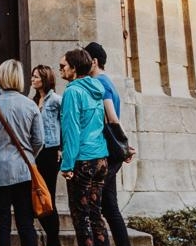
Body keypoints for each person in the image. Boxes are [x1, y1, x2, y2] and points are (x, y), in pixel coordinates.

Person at [0, 60, 43, 246]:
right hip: (23, 170)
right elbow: (39, 140)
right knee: (25, 222)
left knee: (1, 222)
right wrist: (29, 154)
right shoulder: (30, 105)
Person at [82, 42, 134, 246]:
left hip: (106, 152)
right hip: (110, 152)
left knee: (107, 207)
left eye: (86, 59)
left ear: (94, 62)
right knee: (109, 205)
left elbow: (112, 117)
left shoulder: (100, 84)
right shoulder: (107, 82)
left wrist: (124, 145)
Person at [58, 48, 111, 246]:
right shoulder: (96, 88)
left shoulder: (73, 91)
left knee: (82, 218)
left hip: (83, 160)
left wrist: (67, 165)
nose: (60, 70)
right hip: (100, 159)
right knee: (96, 214)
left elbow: (72, 131)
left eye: (63, 66)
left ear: (74, 68)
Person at [28, 64, 62, 246]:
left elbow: (65, 124)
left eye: (36, 77)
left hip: (51, 152)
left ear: (45, 79)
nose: (33, 79)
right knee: (37, 197)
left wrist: (61, 148)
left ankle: (53, 240)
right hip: (36, 153)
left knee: (49, 197)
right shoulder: (32, 101)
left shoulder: (56, 100)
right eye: (32, 76)